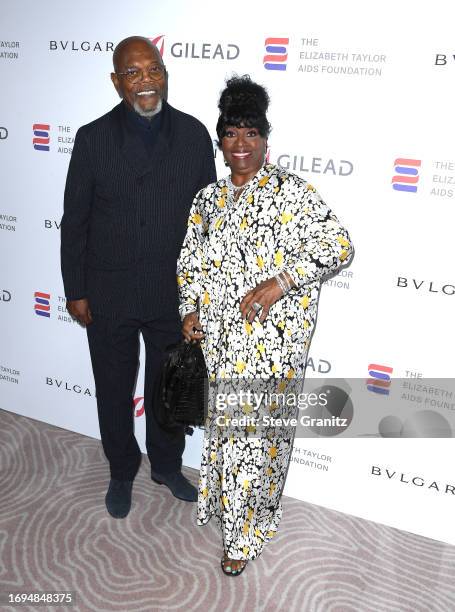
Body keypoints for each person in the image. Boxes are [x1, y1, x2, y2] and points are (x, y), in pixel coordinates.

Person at [177, 75, 353, 575]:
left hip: (270, 347)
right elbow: (189, 261)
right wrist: (189, 308)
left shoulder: (290, 192)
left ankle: (245, 534)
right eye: (231, 133)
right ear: (220, 140)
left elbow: (338, 246)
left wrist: (280, 283)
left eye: (250, 133)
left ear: (266, 139)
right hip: (219, 341)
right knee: (228, 436)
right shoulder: (206, 200)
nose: (240, 145)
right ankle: (225, 507)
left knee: (258, 442)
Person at [60, 36, 216, 518]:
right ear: (116, 81)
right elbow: (76, 220)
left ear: (165, 74)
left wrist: (202, 293)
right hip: (108, 294)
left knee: (169, 388)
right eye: (133, 73)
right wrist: (76, 290)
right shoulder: (92, 138)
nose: (145, 80)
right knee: (112, 386)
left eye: (154, 70)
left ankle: (167, 465)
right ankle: (121, 469)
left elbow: (208, 221)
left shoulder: (193, 134)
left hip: (173, 294)